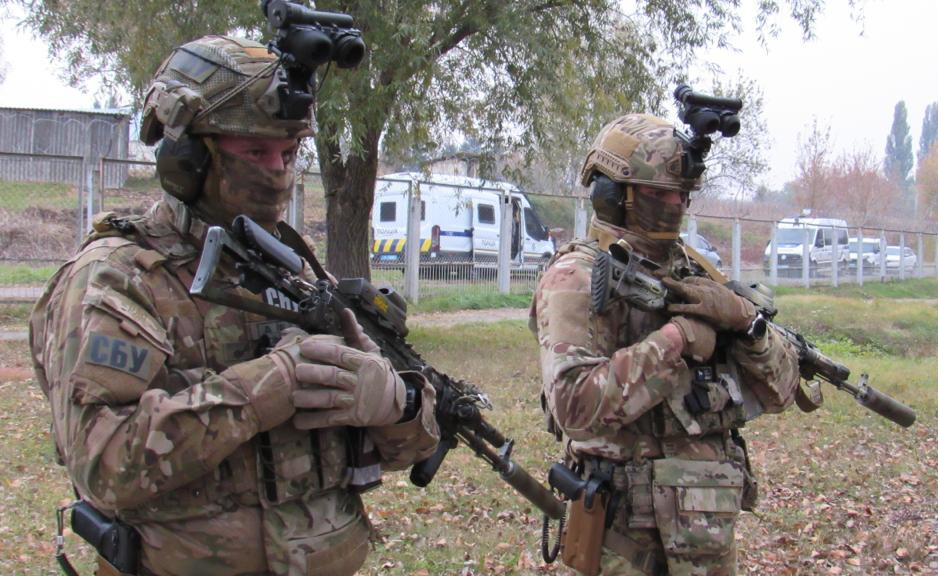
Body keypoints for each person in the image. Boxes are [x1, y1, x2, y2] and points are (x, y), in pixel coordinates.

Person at [29, 35, 439, 576]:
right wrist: (266, 388)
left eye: (288, 153)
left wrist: (395, 403)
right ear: (188, 158)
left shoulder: (296, 273)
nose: (277, 171)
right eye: (254, 152)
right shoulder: (119, 278)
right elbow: (104, 467)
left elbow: (412, 449)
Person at [530, 113, 803, 575]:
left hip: (707, 534)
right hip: (624, 541)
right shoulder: (575, 277)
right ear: (613, 194)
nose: (676, 204)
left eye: (683, 194)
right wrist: (677, 339)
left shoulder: (695, 275)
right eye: (659, 193)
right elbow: (574, 406)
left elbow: (782, 391)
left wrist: (746, 323)